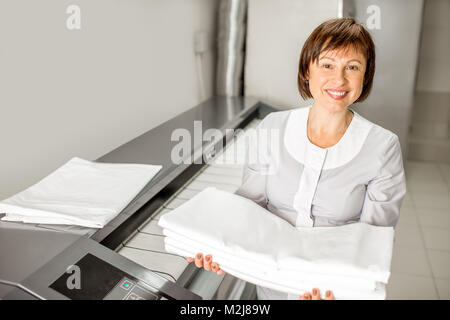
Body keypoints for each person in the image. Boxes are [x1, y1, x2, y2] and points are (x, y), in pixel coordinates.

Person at [186, 17, 407, 300]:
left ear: (366, 76)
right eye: (327, 65)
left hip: (333, 289)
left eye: (352, 67)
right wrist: (219, 248)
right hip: (271, 287)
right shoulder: (272, 128)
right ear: (307, 71)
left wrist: (338, 289)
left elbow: (372, 242)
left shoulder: (383, 147)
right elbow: (249, 207)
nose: (339, 79)